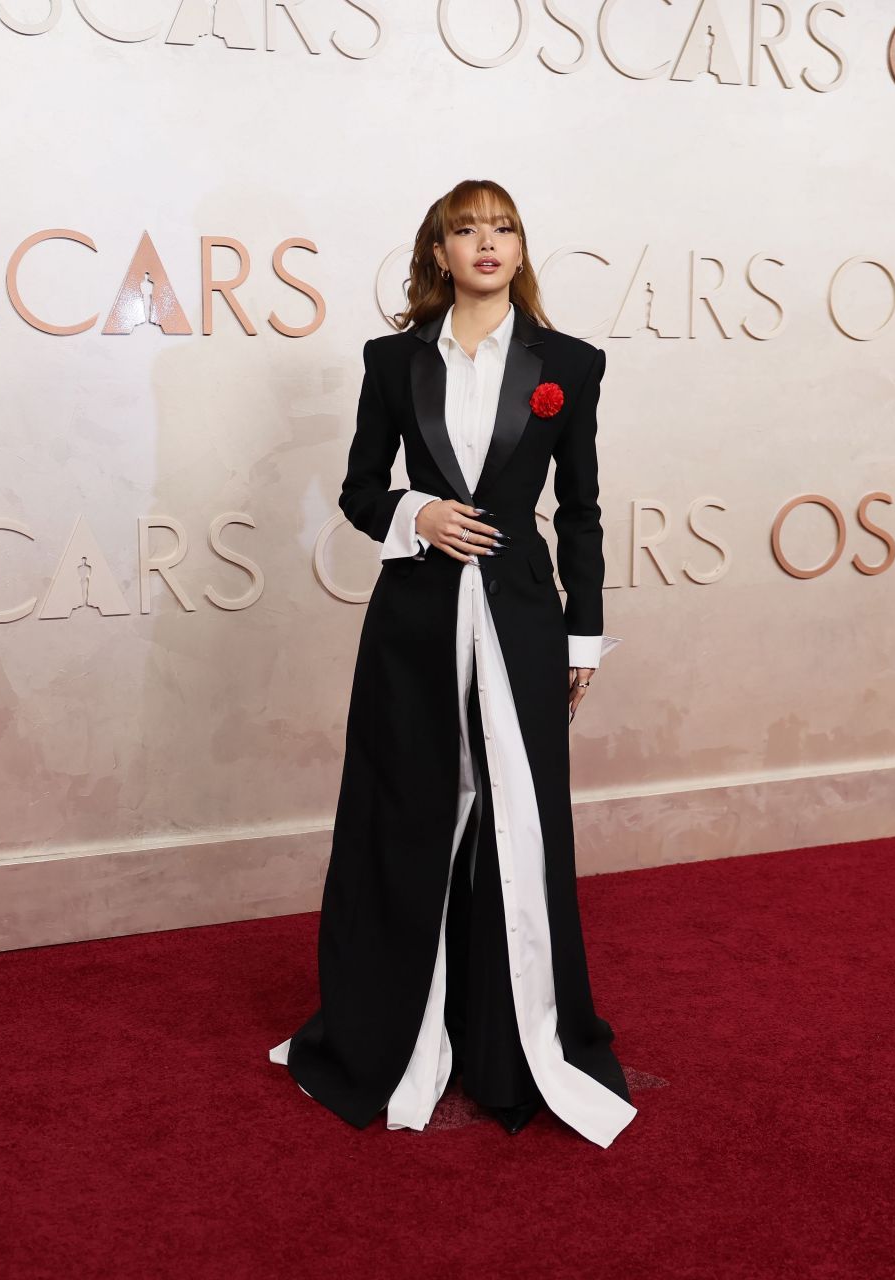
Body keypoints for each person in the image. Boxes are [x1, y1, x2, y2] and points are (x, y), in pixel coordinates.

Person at [267, 179, 635, 1148]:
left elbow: (585, 514)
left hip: (520, 621)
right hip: (414, 620)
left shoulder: (570, 365)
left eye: (504, 227)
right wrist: (415, 515)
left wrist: (582, 634)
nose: (487, 242)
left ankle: (514, 1045)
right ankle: (391, 1033)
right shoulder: (392, 362)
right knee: (407, 814)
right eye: (467, 228)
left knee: (519, 820)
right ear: (438, 251)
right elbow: (356, 489)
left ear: (521, 248)